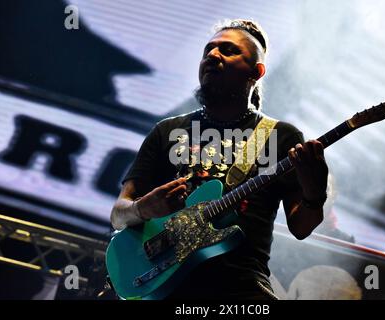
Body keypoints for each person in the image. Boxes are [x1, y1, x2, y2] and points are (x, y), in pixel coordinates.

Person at [110, 19, 329, 300]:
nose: (213, 56)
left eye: (228, 50)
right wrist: (142, 208)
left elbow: (301, 228)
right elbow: (118, 215)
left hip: (238, 287)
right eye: (208, 50)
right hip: (162, 281)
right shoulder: (167, 130)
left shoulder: (279, 135)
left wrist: (314, 192)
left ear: (256, 72)